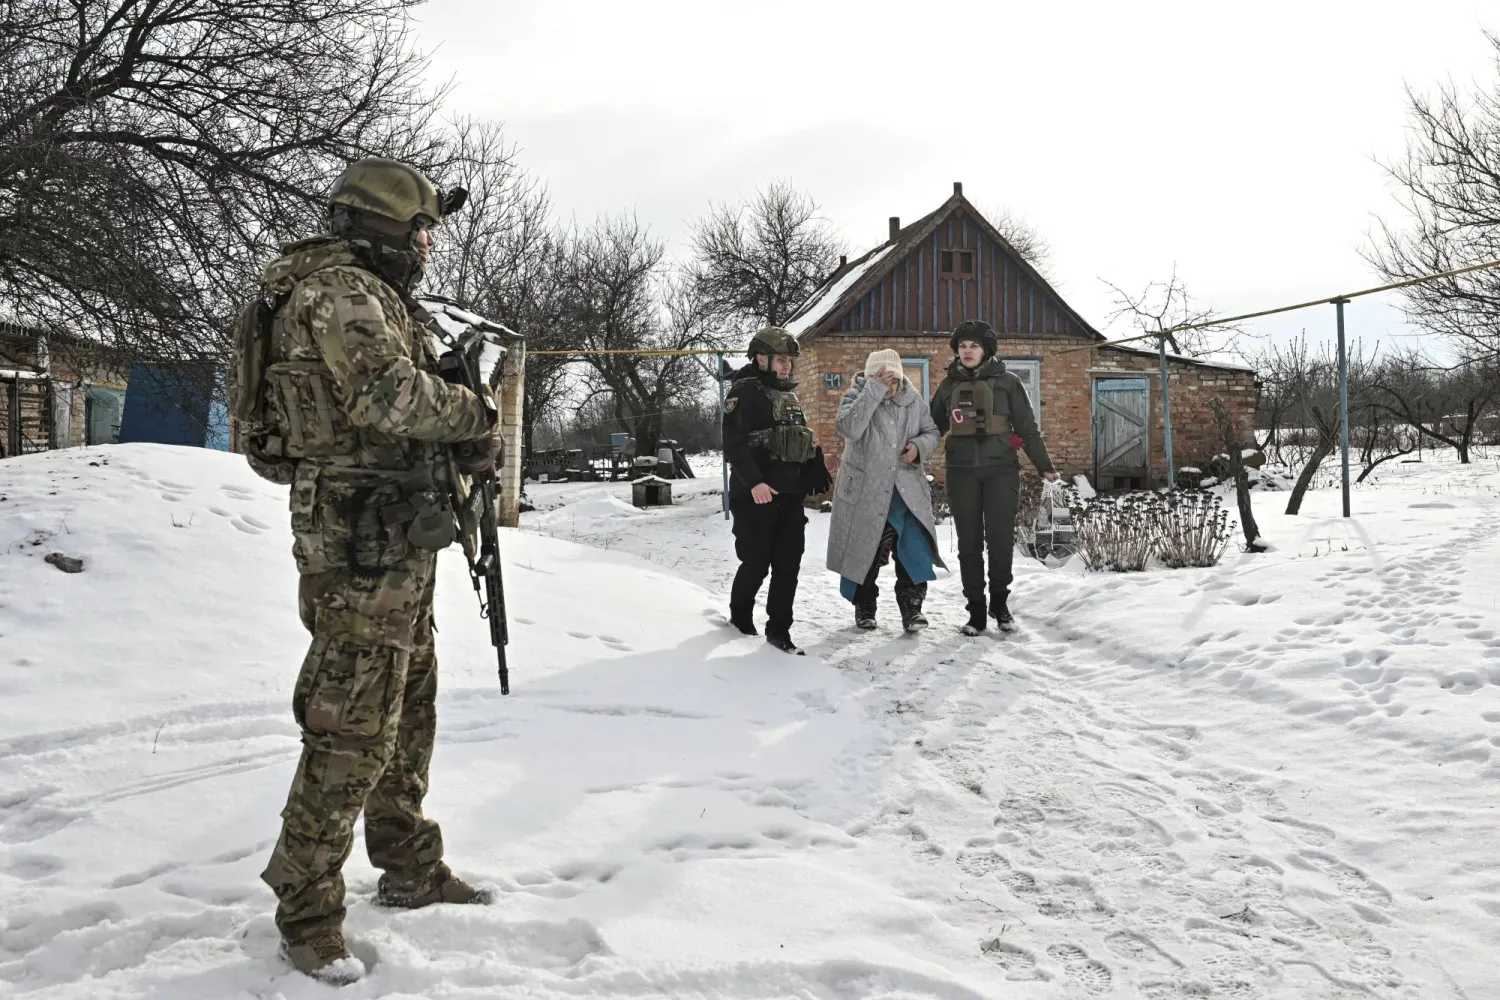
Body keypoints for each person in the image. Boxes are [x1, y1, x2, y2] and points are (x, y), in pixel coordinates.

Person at [247, 157, 502, 984]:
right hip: (358, 539)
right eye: (422, 228)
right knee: (352, 719)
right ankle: (308, 910)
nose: (429, 244)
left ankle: (409, 862)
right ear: (388, 228)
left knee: (410, 696)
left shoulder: (365, 288)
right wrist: (475, 412)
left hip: (395, 528)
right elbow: (389, 396)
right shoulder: (342, 292)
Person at [929, 319, 1058, 635]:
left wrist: (1045, 466)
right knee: (968, 544)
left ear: (986, 350)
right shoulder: (947, 386)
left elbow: (1027, 428)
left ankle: (999, 603)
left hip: (1002, 470)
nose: (967, 351)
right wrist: (912, 453)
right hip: (961, 472)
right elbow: (932, 428)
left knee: (1000, 541)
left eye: (973, 345)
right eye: (962, 346)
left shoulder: (1008, 382)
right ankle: (975, 611)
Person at [722, 326, 831, 654]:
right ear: (760, 357)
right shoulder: (744, 393)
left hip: (789, 494)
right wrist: (754, 482)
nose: (787, 366)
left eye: (789, 361)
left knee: (788, 563)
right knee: (756, 562)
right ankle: (740, 619)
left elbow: (798, 438)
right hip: (755, 494)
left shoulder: (789, 395)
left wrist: (815, 464)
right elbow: (734, 445)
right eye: (781, 359)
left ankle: (779, 631)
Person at [827, 349, 945, 632]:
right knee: (866, 551)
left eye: (891, 379)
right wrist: (873, 391)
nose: (888, 385)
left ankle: (912, 609)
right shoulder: (856, 396)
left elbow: (932, 433)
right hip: (866, 491)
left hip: (905, 493)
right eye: (880, 378)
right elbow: (849, 429)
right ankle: (865, 607)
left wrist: (918, 447)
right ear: (869, 377)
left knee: (913, 550)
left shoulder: (913, 399)